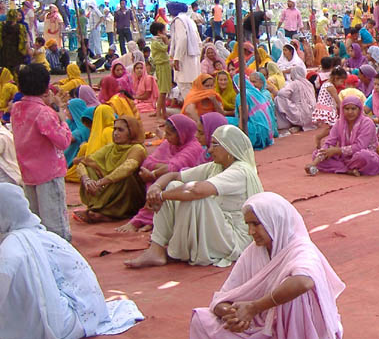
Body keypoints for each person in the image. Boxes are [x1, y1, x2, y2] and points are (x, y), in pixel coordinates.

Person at [189, 192, 344, 339]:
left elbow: (304, 282)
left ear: (274, 220)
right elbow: (225, 295)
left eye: (256, 224)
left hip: (297, 328)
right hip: (260, 324)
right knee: (201, 321)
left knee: (294, 292)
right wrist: (234, 315)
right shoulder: (254, 251)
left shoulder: (301, 249)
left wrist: (254, 308)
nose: (250, 232)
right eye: (248, 224)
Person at [0, 184, 143, 339]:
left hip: (64, 322)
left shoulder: (16, 244)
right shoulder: (38, 233)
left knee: (16, 282)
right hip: (88, 311)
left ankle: (25, 337)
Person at [125, 125, 263, 269]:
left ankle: (178, 248)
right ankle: (156, 249)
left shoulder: (239, 172)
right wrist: (156, 187)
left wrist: (161, 196)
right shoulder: (216, 167)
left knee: (195, 197)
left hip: (234, 237)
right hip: (219, 227)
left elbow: (197, 190)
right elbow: (174, 175)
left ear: (229, 147)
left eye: (215, 145)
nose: (209, 150)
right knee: (173, 186)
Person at [10, 64, 72, 240]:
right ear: (46, 87)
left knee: (35, 220)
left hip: (28, 173)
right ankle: (61, 253)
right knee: (55, 225)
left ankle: (41, 252)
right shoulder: (43, 112)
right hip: (49, 173)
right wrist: (61, 118)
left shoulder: (16, 108)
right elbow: (63, 141)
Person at [120, 114, 206, 233]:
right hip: (164, 177)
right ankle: (146, 217)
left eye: (169, 134)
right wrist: (160, 170)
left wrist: (154, 173)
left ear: (181, 134)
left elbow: (174, 169)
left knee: (167, 183)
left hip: (183, 183)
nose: (166, 137)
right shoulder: (170, 143)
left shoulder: (194, 147)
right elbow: (148, 163)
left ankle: (147, 219)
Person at [74, 116, 147, 223]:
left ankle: (110, 213)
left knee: (124, 176)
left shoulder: (137, 149)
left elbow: (127, 168)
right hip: (109, 188)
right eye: (115, 129)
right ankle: (99, 210)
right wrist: (87, 180)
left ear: (131, 132)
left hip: (129, 195)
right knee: (89, 168)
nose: (115, 133)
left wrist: (101, 182)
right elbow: (83, 163)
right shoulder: (111, 147)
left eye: (120, 130)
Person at [308, 91, 379, 176]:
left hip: (363, 156)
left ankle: (343, 168)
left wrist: (337, 150)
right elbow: (329, 143)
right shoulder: (339, 123)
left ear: (359, 109)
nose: (350, 112)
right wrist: (314, 163)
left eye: (353, 109)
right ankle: (348, 170)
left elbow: (360, 146)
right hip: (344, 157)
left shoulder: (367, 123)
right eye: (347, 109)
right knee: (316, 154)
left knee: (364, 156)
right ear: (342, 110)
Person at [231, 72, 279, 150]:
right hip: (268, 135)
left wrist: (241, 137)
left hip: (258, 136)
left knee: (226, 121)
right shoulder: (257, 92)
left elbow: (243, 118)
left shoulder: (242, 95)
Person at [167, 1, 202, 99]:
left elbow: (182, 39)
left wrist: (177, 58)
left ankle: (190, 108)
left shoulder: (178, 20)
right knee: (193, 89)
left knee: (185, 89)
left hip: (184, 60)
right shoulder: (190, 20)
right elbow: (199, 42)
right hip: (193, 59)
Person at [275, 66, 315, 133]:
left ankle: (287, 124)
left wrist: (273, 90)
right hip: (312, 115)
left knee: (278, 99)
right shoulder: (309, 83)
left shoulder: (294, 83)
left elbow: (281, 93)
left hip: (301, 115)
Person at [149, 22, 171, 120]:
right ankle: (158, 113)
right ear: (159, 32)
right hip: (162, 66)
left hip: (165, 65)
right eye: (164, 30)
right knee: (162, 91)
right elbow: (166, 48)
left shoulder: (158, 41)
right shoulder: (156, 42)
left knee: (164, 91)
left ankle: (163, 112)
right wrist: (166, 40)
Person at [1, 7, 29, 77]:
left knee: (4, 70)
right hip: (16, 53)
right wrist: (24, 52)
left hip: (3, 52)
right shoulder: (21, 27)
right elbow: (23, 42)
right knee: (16, 71)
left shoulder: (1, 26)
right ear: (15, 17)